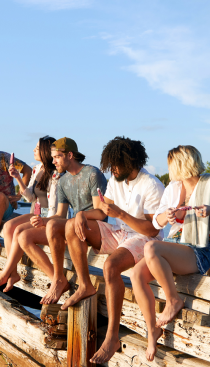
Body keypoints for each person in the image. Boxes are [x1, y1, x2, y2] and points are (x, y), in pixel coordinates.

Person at [130, 145, 210, 362]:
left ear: (180, 164)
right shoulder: (173, 188)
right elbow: (156, 222)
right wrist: (167, 216)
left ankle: (173, 301)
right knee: (136, 274)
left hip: (198, 250)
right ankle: (152, 331)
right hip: (174, 245)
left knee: (151, 247)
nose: (169, 168)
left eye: (170, 164)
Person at [60, 136, 164, 364]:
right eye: (110, 165)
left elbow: (153, 230)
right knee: (71, 226)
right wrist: (82, 214)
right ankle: (85, 284)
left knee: (110, 267)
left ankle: (112, 336)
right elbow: (101, 211)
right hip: (119, 231)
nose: (113, 170)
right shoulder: (116, 180)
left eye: (116, 165)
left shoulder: (152, 185)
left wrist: (122, 215)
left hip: (143, 237)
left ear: (131, 161)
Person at [17, 137, 108, 305]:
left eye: (57, 157)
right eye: (53, 157)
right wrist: (44, 220)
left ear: (70, 155)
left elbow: (101, 213)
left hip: (96, 227)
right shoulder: (64, 180)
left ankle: (83, 285)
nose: (53, 161)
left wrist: (81, 216)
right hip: (74, 226)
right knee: (51, 224)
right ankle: (58, 279)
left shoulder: (92, 174)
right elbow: (60, 214)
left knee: (69, 223)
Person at [0, 135, 64, 292]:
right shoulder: (37, 169)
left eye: (38, 148)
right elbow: (30, 197)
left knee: (20, 231)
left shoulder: (56, 174)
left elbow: (57, 207)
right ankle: (13, 273)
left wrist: (46, 220)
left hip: (49, 217)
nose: (34, 150)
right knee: (7, 227)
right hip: (36, 213)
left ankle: (4, 274)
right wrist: (18, 178)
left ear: (46, 151)